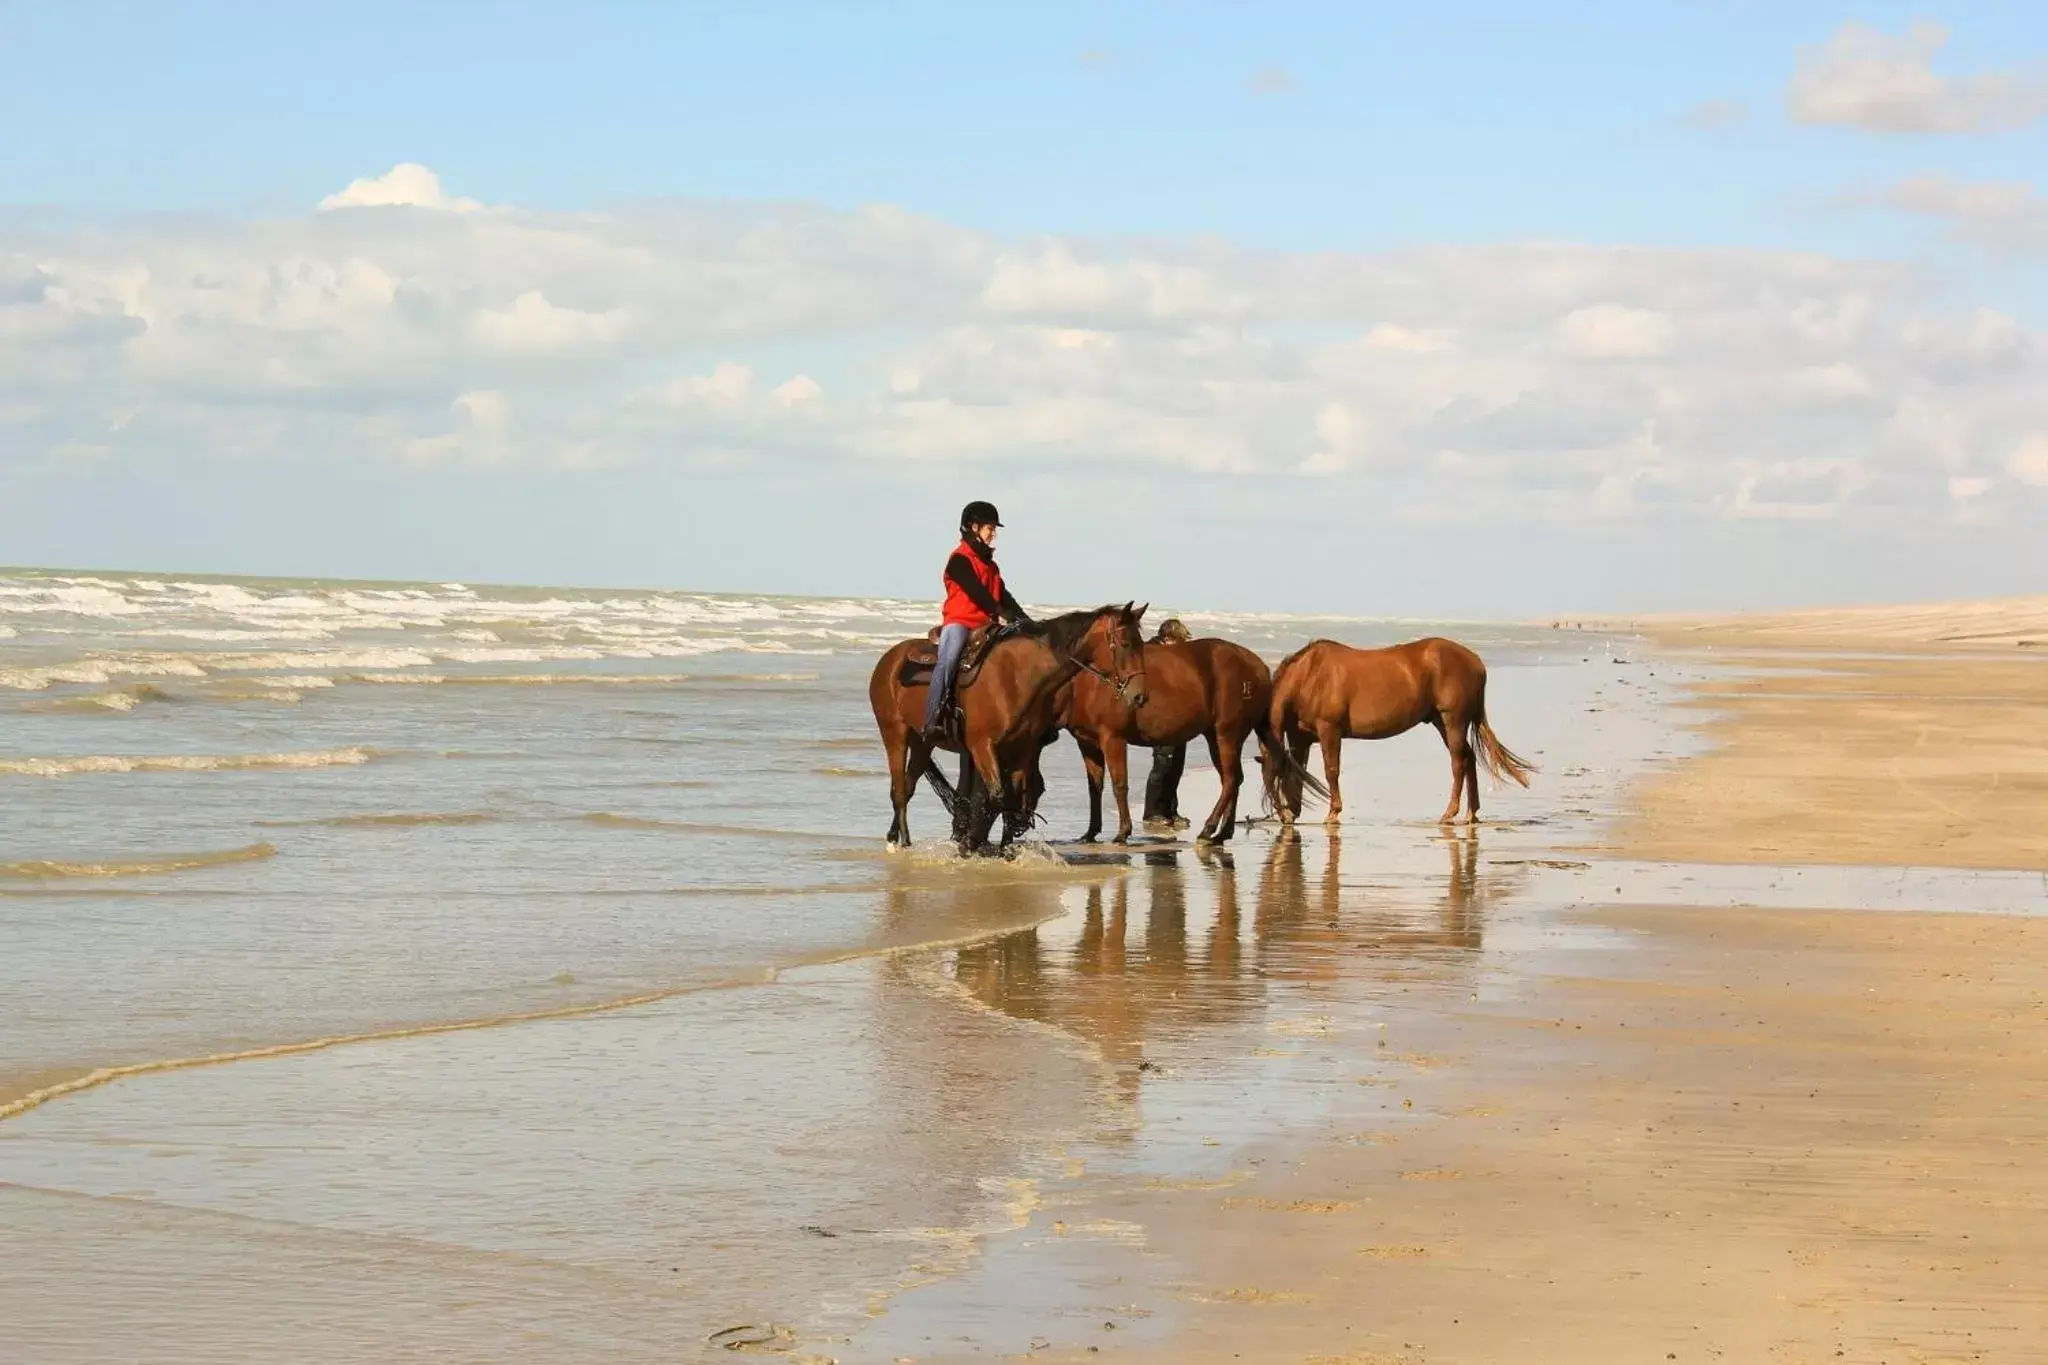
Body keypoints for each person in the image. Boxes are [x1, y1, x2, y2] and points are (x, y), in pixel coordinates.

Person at [921, 500, 1031, 743]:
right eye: (990, 528)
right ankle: (931, 720)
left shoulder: (991, 566)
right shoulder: (959, 559)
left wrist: (1027, 622)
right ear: (973, 527)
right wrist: (1000, 613)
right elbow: (976, 592)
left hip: (986, 625)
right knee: (948, 661)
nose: (994, 534)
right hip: (960, 623)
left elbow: (1004, 597)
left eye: (994, 529)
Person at [1141, 618, 1192, 827]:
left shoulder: (1176, 656)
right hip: (1160, 718)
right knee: (1162, 763)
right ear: (1167, 638)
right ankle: (1152, 812)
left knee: (1176, 765)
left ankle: (1171, 810)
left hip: (1179, 717)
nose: (1182, 646)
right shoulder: (1150, 654)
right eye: (1178, 641)